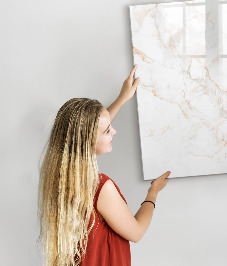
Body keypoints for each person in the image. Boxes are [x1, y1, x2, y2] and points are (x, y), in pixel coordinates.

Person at [38, 65, 170, 266]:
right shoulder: (100, 187)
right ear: (88, 140)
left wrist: (122, 98)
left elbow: (91, 129)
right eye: (108, 131)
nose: (114, 132)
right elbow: (136, 232)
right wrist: (153, 193)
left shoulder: (59, 175)